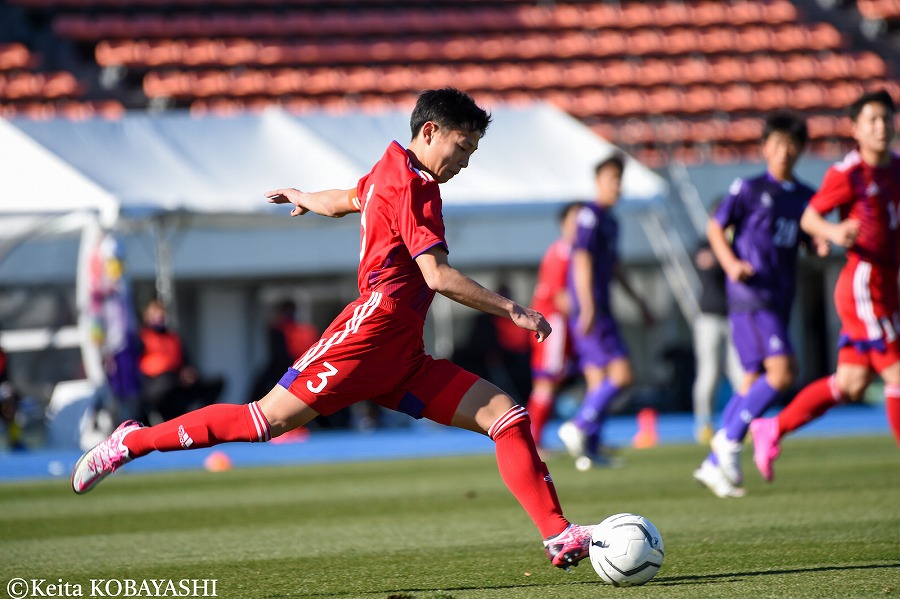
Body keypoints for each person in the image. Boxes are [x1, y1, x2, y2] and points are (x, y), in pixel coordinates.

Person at [71, 88, 596, 570]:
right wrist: (513, 309)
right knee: (262, 422)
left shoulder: (391, 170)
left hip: (402, 356)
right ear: (430, 132)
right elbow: (436, 275)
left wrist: (306, 196)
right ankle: (132, 441)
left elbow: (347, 198)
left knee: (507, 417)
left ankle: (557, 533)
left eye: (472, 153)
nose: (464, 162)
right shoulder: (414, 186)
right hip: (366, 337)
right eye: (462, 147)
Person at [750, 89, 900, 481]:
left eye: (886, 119)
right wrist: (835, 231)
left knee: (850, 385)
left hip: (887, 284)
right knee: (898, 375)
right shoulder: (848, 173)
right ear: (856, 129)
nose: (881, 127)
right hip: (865, 286)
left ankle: (773, 427)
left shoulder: (896, 169)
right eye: (872, 120)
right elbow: (810, 218)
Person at [692, 110, 826, 498]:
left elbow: (806, 240)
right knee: (784, 372)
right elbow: (715, 226)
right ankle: (730, 442)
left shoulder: (805, 197)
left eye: (792, 144)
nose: (784, 151)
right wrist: (731, 263)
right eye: (777, 143)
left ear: (800, 149)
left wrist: (817, 244)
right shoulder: (748, 189)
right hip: (752, 296)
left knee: (752, 379)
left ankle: (713, 465)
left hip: (780, 297)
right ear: (765, 147)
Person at [556, 154, 654, 471]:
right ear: (598, 181)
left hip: (601, 309)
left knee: (599, 383)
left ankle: (590, 449)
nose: (617, 185)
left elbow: (615, 267)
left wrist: (639, 302)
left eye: (619, 179)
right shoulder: (590, 215)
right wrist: (587, 306)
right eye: (611, 179)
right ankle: (579, 425)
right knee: (623, 375)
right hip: (594, 312)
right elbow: (581, 260)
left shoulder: (611, 221)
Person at [525, 201, 582, 449]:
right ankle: (533, 442)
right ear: (564, 223)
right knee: (545, 384)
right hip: (553, 324)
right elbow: (560, 296)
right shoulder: (561, 252)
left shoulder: (574, 252)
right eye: (575, 220)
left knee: (550, 384)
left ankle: (535, 440)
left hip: (560, 325)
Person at [690, 232, 744, 445]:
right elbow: (710, 264)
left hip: (735, 315)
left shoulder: (739, 242)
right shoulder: (705, 244)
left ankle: (742, 420)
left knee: (740, 372)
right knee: (709, 372)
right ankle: (704, 423)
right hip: (709, 318)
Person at [138, 299, 224, 423]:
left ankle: (201, 419)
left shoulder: (174, 338)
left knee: (215, 384)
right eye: (155, 314)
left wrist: (189, 372)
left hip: (176, 382)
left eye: (162, 314)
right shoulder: (142, 337)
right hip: (154, 385)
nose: (159, 318)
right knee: (167, 384)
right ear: (147, 317)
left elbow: (186, 362)